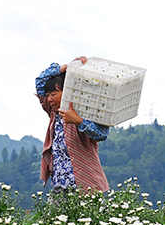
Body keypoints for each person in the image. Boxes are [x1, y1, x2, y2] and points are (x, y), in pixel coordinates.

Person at [35, 57, 110, 193]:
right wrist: (65, 68)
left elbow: (102, 133)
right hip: (59, 183)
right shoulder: (53, 113)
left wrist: (78, 121)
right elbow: (40, 81)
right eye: (47, 95)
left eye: (53, 94)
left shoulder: (84, 111)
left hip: (85, 184)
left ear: (68, 91)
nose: (49, 98)